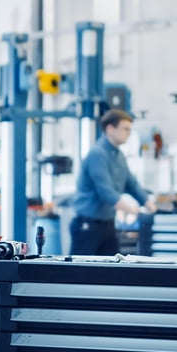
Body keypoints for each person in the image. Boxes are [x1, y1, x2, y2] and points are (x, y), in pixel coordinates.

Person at [69, 108, 157, 255]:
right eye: (125, 129)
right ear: (110, 129)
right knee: (81, 274)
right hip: (88, 226)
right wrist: (133, 210)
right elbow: (106, 192)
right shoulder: (98, 154)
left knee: (111, 271)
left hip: (107, 224)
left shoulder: (118, 155)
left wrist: (147, 203)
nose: (129, 133)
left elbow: (130, 183)